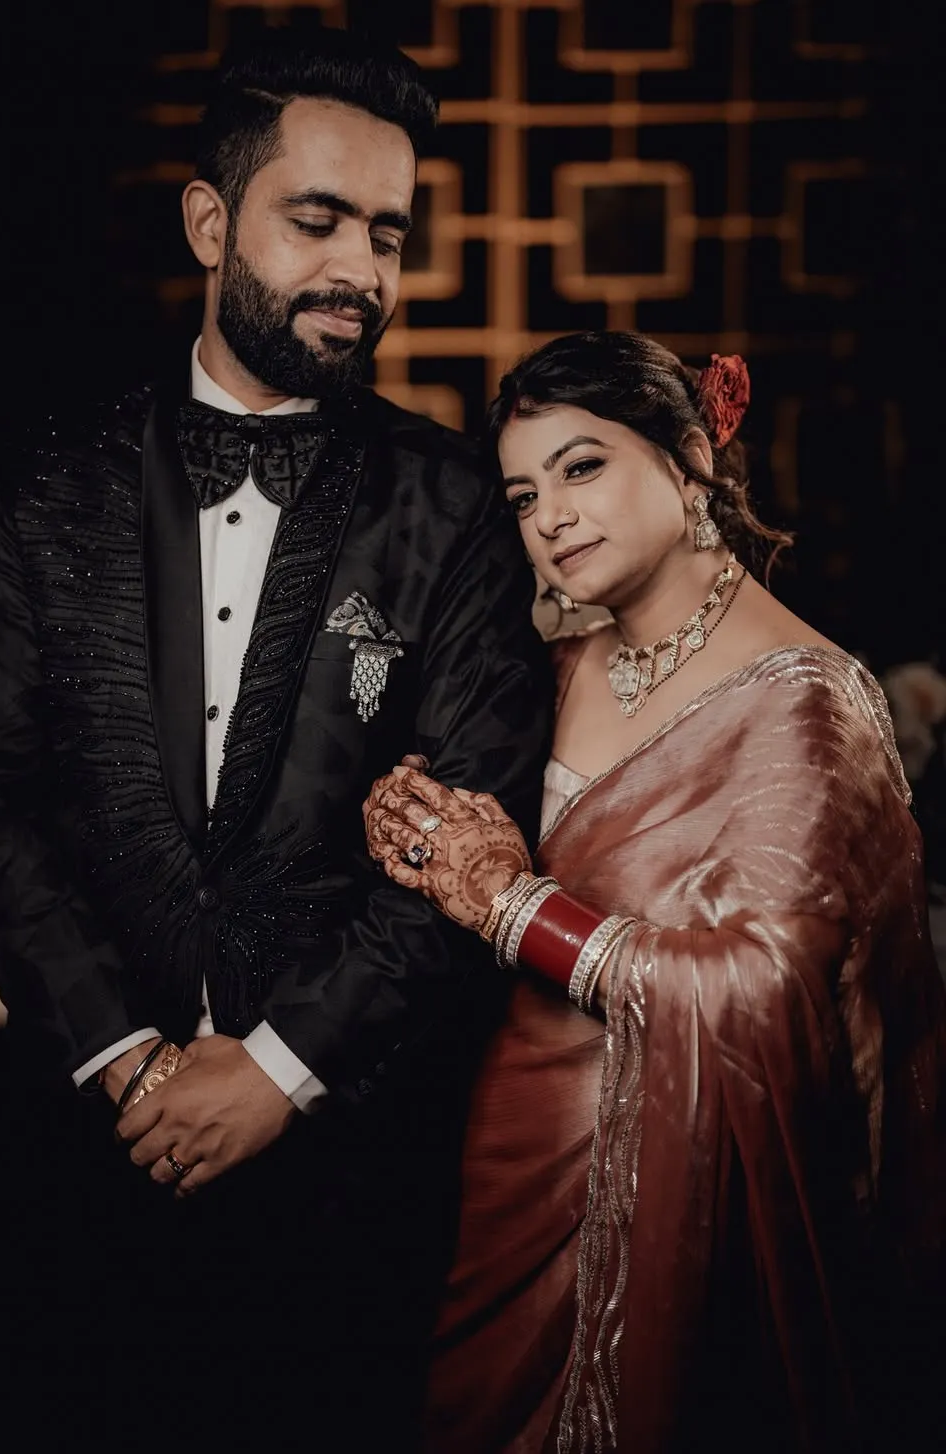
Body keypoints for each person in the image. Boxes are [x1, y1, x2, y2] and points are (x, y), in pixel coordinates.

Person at [0, 27, 550, 1449]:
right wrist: (129, 1062)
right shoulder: (44, 479)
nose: (361, 270)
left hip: (357, 1177)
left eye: (386, 233)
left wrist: (275, 1068)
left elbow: (471, 830)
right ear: (211, 222)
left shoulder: (456, 502)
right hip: (78, 1159)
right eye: (317, 219)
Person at [365, 331, 946, 1453]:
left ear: (691, 462)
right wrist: (408, 814)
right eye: (523, 495)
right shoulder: (553, 659)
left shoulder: (803, 705)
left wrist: (512, 907)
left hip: (666, 1192)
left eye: (582, 468)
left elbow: (764, 997)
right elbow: (471, 838)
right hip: (497, 1154)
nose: (550, 517)